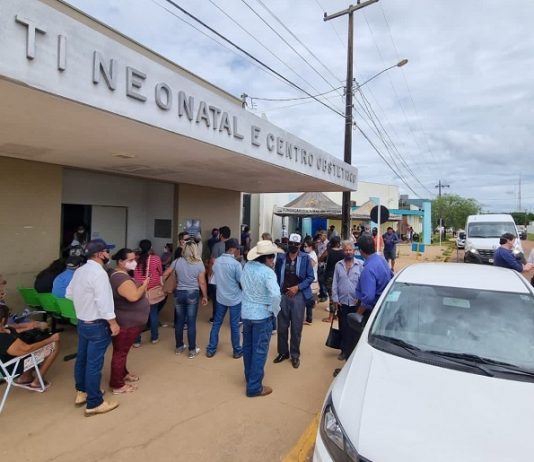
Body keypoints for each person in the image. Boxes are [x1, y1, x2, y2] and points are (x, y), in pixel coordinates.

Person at [66, 238, 120, 416]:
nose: (108, 254)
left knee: (82, 359)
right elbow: (103, 302)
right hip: (97, 324)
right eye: (107, 251)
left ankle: (82, 392)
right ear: (99, 254)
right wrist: (113, 323)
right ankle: (95, 402)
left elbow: (69, 294)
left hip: (83, 322)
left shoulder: (80, 271)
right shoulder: (99, 274)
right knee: (93, 364)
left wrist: (85, 305)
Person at [241, 240, 283, 397]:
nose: (273, 260)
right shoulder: (268, 273)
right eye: (271, 257)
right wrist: (274, 310)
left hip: (247, 313)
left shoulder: (247, 267)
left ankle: (250, 377)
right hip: (262, 315)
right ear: (266, 258)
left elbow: (242, 284)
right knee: (259, 351)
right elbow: (276, 295)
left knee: (248, 348)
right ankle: (254, 387)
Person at [108, 248, 150, 395]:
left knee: (123, 351)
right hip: (126, 323)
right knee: (120, 353)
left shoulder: (122, 275)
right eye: (130, 260)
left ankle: (123, 373)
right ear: (120, 261)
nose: (134, 263)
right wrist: (144, 286)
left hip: (128, 321)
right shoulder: (120, 278)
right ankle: (117, 384)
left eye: (134, 259)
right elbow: (133, 296)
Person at [273, 233, 314, 369]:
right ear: (287, 243)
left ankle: (295, 355)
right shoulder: (281, 258)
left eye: (296, 244)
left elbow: (310, 277)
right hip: (283, 295)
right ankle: (283, 352)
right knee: (282, 326)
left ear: (300, 245)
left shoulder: (305, 258)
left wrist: (297, 287)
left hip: (298, 296)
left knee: (296, 327)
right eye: (291, 243)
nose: (293, 246)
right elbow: (276, 275)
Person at [0, 304, 60, 391]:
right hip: (13, 366)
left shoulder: (3, 330)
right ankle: (37, 382)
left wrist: (32, 326)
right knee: (54, 345)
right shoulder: (4, 338)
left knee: (32, 341)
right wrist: (50, 339)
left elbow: (14, 331)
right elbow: (27, 349)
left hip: (11, 361)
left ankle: (25, 378)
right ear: (3, 320)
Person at [164, 240, 208, 358]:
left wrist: (163, 284)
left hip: (179, 293)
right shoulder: (199, 263)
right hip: (192, 293)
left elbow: (166, 274)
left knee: (179, 321)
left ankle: (179, 347)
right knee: (191, 322)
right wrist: (205, 296)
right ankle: (192, 350)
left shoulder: (177, 261)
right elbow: (202, 282)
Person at [206, 238, 243, 358]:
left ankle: (211, 349)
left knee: (216, 323)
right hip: (235, 299)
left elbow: (214, 275)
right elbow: (241, 281)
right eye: (237, 249)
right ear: (232, 249)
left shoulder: (217, 262)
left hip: (221, 298)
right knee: (234, 326)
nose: (238, 251)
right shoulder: (236, 265)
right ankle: (236, 351)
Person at [332, 241, 363, 361]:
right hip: (342, 303)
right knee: (344, 327)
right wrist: (335, 299)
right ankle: (344, 351)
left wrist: (361, 299)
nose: (348, 252)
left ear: (354, 251)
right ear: (343, 251)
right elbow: (335, 283)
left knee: (355, 328)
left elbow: (363, 283)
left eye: (350, 250)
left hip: (356, 303)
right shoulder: (338, 265)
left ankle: (354, 351)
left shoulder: (360, 265)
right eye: (346, 250)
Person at [133, 239, 163, 345]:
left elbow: (134, 275)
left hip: (139, 290)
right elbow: (160, 271)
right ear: (151, 247)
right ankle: (154, 337)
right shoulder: (155, 258)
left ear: (140, 248)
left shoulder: (135, 260)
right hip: (152, 290)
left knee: (138, 316)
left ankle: (137, 341)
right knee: (153, 314)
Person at [207, 226, 231, 322]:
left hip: (218, 275)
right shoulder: (233, 245)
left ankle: (216, 317)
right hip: (229, 276)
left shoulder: (217, 245)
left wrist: (209, 274)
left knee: (216, 298)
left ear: (220, 235)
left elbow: (212, 261)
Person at [320, 236, 344, 322]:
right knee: (339, 296)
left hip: (330, 276)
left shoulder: (329, 251)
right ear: (338, 243)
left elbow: (321, 258)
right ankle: (337, 315)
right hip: (340, 276)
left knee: (332, 296)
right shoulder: (343, 252)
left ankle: (331, 317)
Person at [302, 237, 318, 324]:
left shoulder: (312, 256)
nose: (304, 248)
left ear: (311, 247)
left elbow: (309, 267)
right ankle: (309, 317)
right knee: (310, 299)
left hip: (311, 280)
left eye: (306, 246)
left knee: (309, 300)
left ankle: (309, 318)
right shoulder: (310, 254)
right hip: (311, 279)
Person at [315, 232, 329, 302]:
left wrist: (320, 259)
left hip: (324, 263)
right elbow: (318, 252)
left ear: (325, 236)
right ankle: (321, 293)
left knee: (322, 280)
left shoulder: (328, 243)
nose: (320, 237)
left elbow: (326, 253)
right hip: (319, 263)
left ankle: (324, 295)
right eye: (319, 235)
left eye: (321, 235)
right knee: (320, 280)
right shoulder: (319, 243)